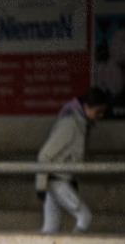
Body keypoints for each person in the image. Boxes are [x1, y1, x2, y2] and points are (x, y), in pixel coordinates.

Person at [36, 87, 109, 234]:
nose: (101, 115)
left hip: (59, 180)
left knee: (49, 230)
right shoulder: (70, 124)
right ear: (87, 107)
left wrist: (72, 179)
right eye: (98, 111)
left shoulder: (81, 124)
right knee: (85, 217)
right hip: (56, 181)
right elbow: (44, 155)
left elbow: (70, 157)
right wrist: (40, 186)